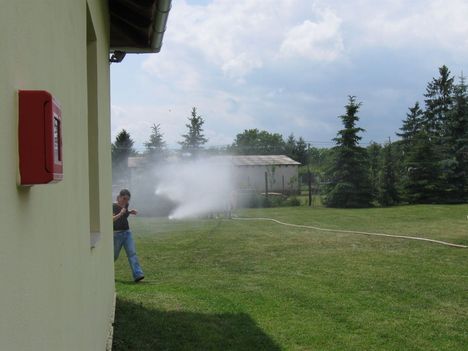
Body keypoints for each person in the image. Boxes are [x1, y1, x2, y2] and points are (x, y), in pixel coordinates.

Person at [112, 189, 144, 282]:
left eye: (128, 199)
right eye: (124, 198)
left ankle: (138, 274)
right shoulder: (113, 206)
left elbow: (124, 214)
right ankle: (105, 271)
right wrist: (120, 213)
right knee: (114, 256)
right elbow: (111, 219)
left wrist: (130, 211)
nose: (126, 201)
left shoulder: (126, 205)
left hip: (127, 233)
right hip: (116, 234)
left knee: (132, 253)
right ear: (119, 197)